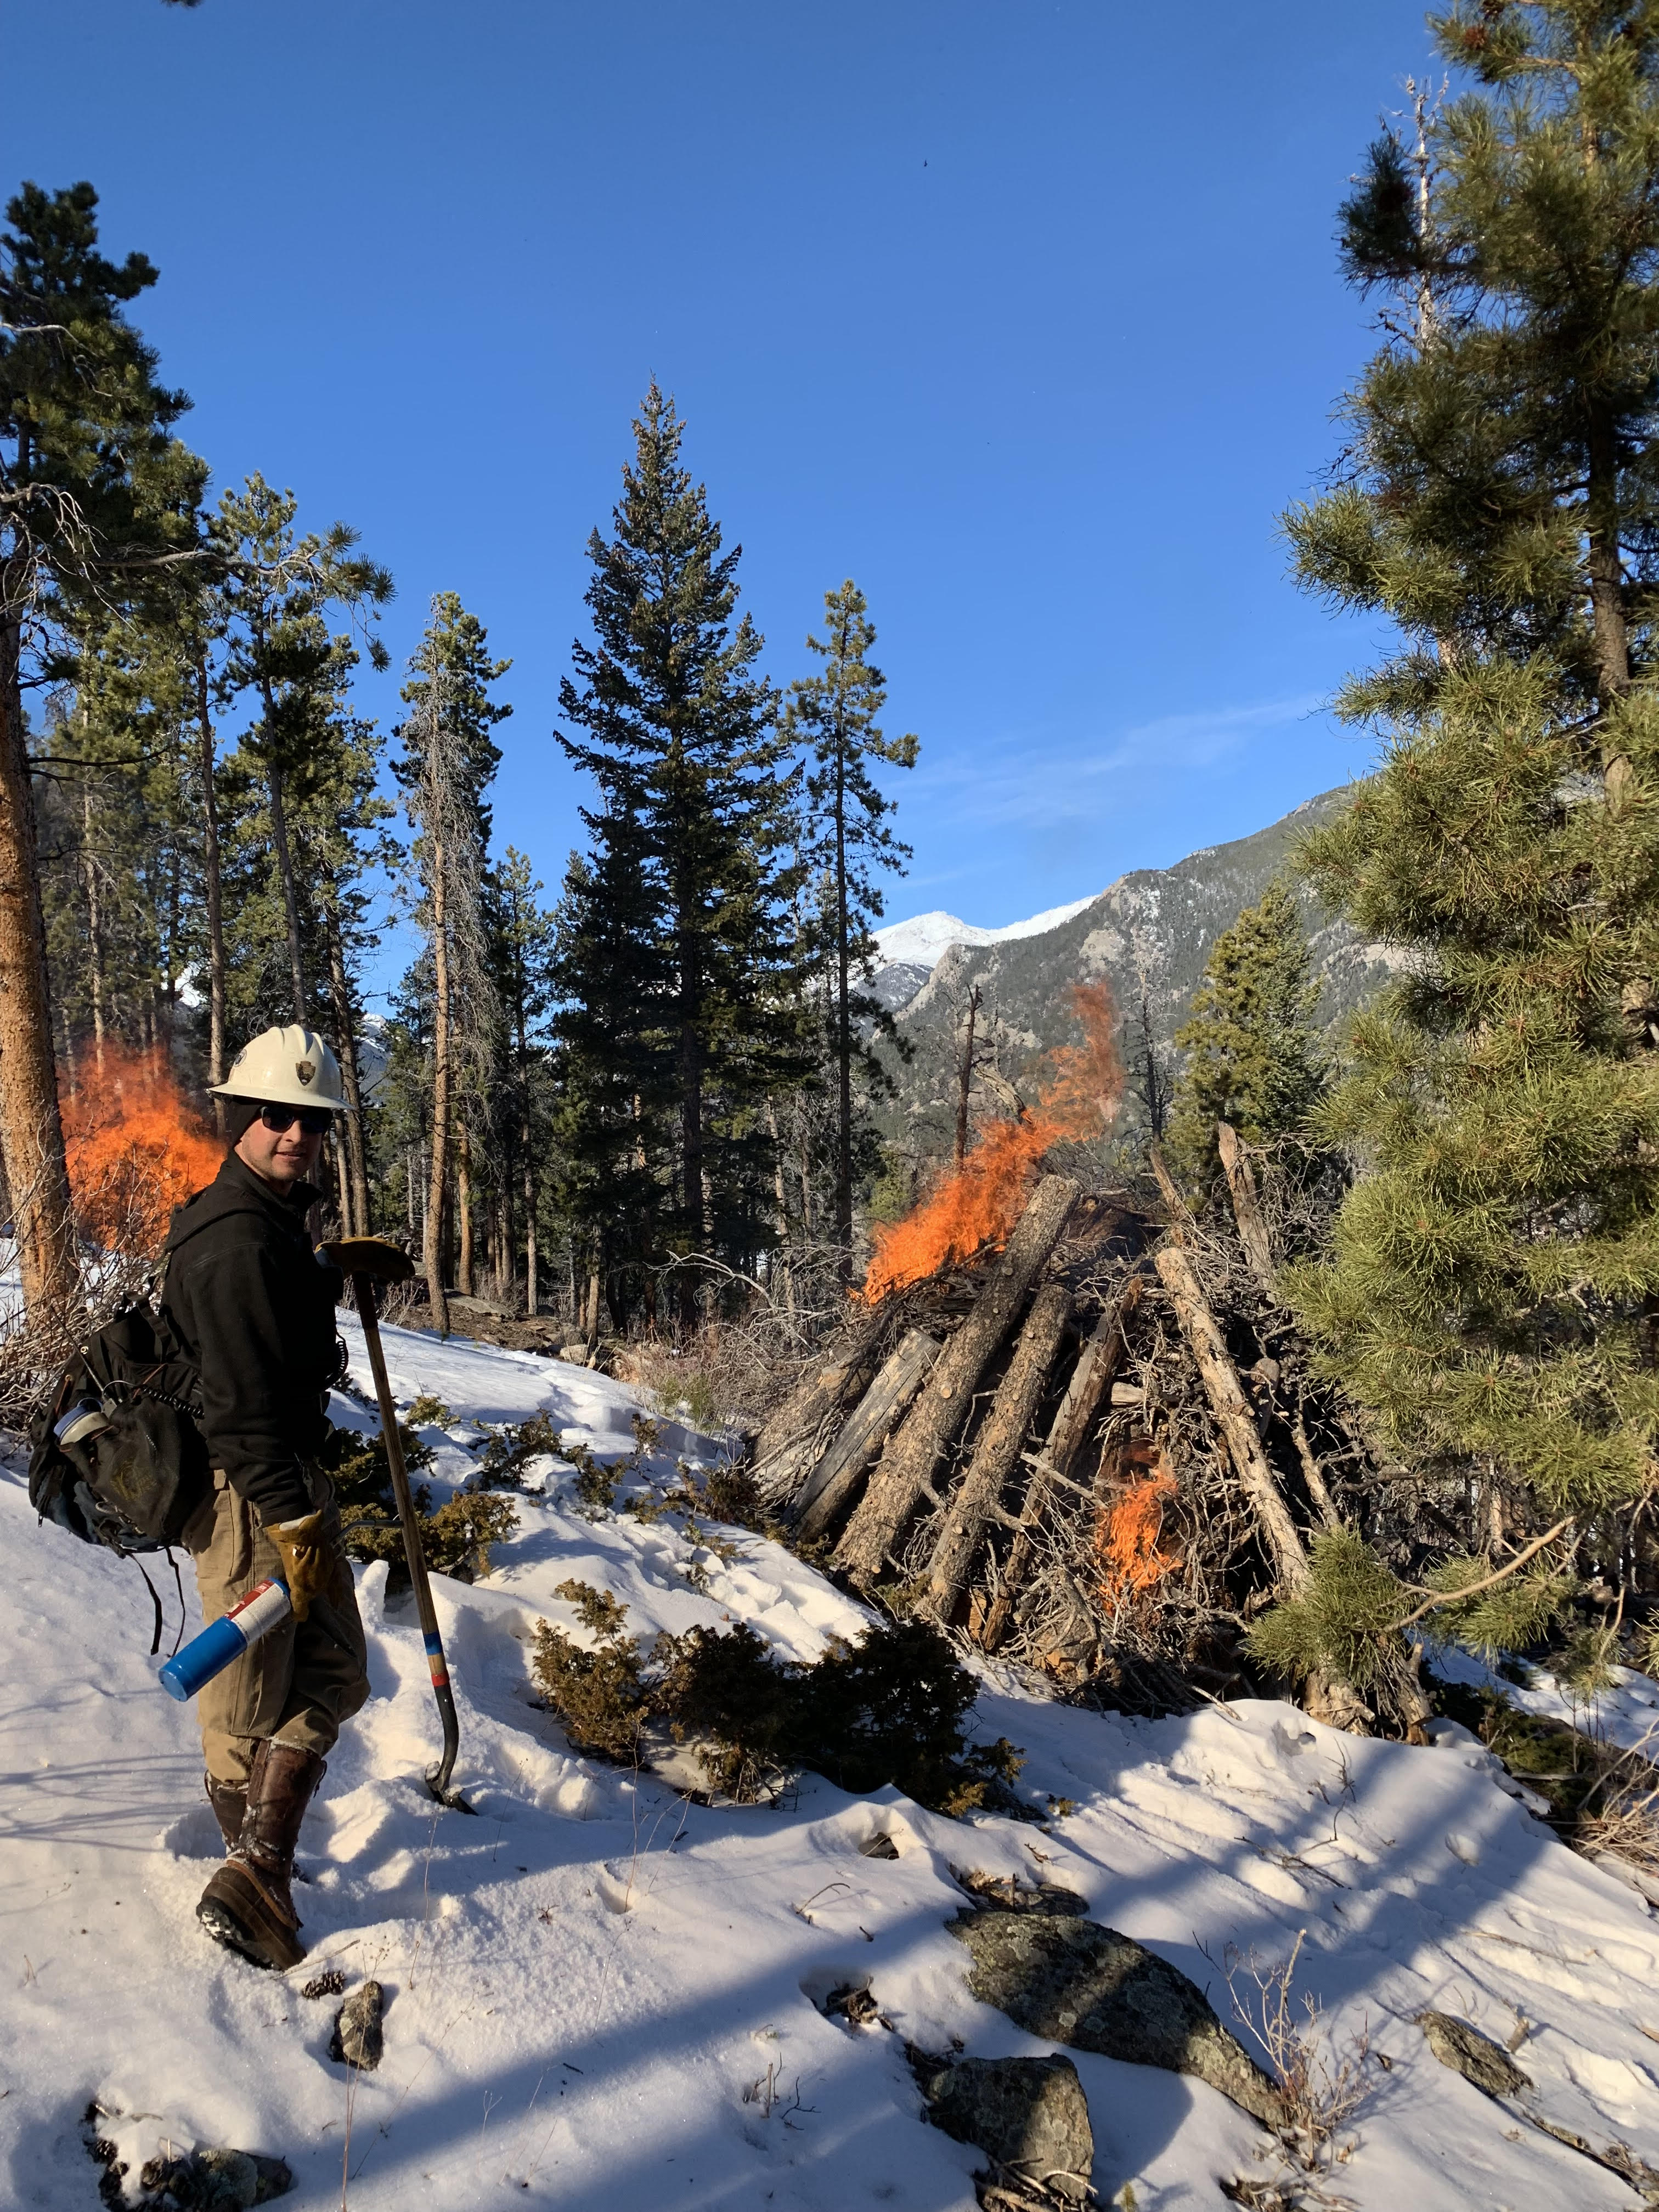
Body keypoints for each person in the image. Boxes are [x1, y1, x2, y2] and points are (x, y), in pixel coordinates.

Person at [160, 1023, 368, 1972]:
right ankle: (252, 1883)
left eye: (312, 1121)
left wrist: (329, 1273)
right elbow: (241, 1413)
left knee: (334, 1669)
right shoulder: (234, 1241)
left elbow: (270, 1341)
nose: (296, 1135)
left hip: (286, 1482)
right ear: (242, 1115)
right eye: (277, 1116)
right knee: (247, 1707)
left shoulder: (271, 1225)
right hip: (250, 1495)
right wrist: (291, 1523)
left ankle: (259, 1864)